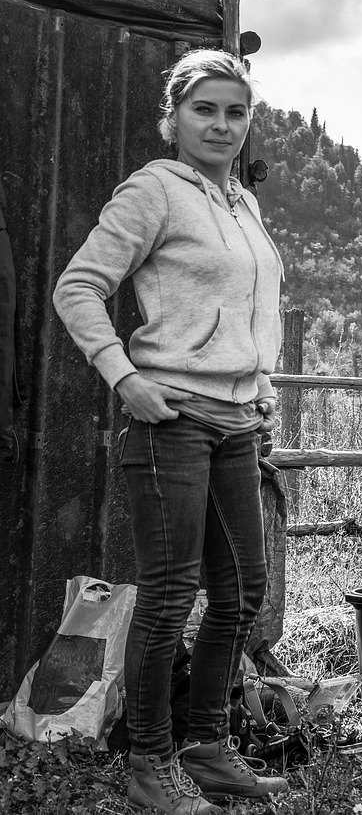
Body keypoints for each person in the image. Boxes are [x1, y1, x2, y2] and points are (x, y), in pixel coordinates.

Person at [53, 48, 289, 814]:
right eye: (204, 109)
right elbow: (78, 285)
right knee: (168, 595)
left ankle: (207, 747)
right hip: (173, 422)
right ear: (175, 117)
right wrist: (124, 376)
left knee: (242, 592)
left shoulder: (243, 205)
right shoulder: (154, 190)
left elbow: (251, 310)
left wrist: (261, 386)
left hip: (237, 423)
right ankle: (150, 764)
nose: (221, 124)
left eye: (235, 111)